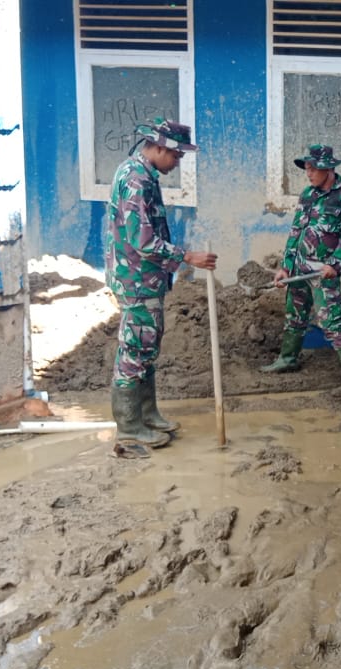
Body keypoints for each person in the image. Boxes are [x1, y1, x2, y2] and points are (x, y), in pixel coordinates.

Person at [104, 118, 218, 448]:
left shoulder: (139, 173)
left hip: (143, 278)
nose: (177, 162)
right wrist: (187, 257)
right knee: (136, 348)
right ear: (157, 147)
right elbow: (143, 241)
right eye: (175, 156)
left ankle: (146, 414)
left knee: (147, 346)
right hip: (137, 278)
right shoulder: (137, 180)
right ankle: (129, 426)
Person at [260, 144, 341, 398]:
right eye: (306, 168)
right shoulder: (307, 194)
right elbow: (295, 232)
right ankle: (288, 358)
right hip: (299, 267)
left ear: (327, 168)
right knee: (294, 313)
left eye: (312, 168)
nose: (308, 173)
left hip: (323, 270)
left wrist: (336, 264)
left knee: (331, 321)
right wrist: (285, 267)